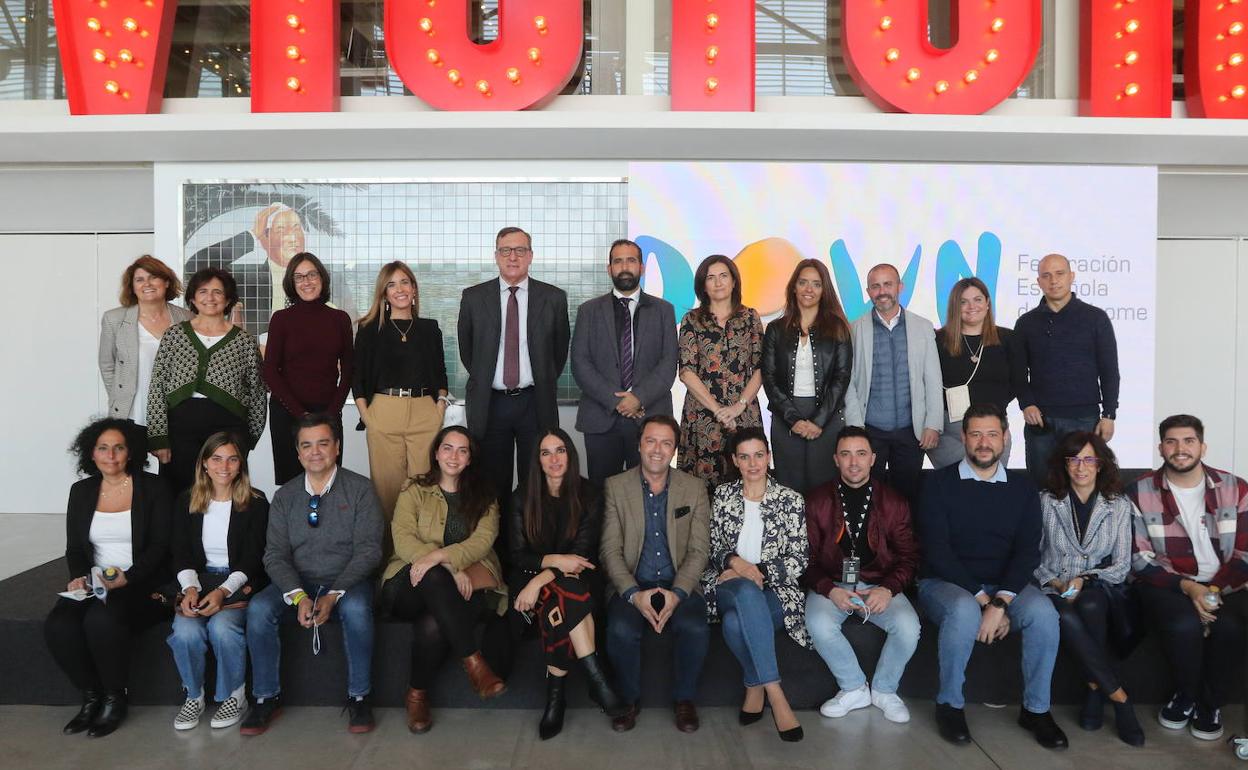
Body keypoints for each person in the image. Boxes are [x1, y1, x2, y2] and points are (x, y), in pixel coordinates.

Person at [915, 403, 1066, 749]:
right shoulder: (938, 484)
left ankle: (1036, 710)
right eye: (976, 434)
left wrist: (1001, 600)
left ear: (1005, 438)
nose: (984, 442)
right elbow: (938, 552)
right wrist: (985, 601)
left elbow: (1028, 551)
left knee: (1044, 613)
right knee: (965, 610)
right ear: (964, 438)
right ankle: (949, 705)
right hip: (945, 583)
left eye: (992, 434)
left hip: (1003, 587)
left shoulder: (1023, 488)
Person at [242, 414, 383, 735]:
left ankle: (360, 696)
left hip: (347, 581)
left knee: (358, 609)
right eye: (306, 445)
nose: (315, 452)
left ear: (337, 448)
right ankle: (265, 698)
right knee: (260, 608)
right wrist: (298, 595)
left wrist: (335, 593)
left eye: (323, 443)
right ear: (297, 453)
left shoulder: (361, 490)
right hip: (299, 581)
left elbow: (369, 551)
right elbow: (274, 554)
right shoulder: (285, 496)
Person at [44, 418, 172, 738]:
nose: (111, 455)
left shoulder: (154, 488)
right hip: (96, 582)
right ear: (92, 453)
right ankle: (92, 696)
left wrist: (127, 578)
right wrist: (79, 579)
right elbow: (75, 549)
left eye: (118, 448)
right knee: (58, 625)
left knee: (100, 621)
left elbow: (161, 547)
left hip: (141, 583)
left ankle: (116, 697)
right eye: (103, 448)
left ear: (130, 452)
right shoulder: (82, 491)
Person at [380, 425, 509, 734]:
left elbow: (483, 541)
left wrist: (441, 558)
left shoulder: (485, 496)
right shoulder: (414, 489)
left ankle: (416, 695)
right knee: (435, 575)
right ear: (436, 453)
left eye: (462, 450)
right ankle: (474, 662)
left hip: (466, 584)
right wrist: (449, 566)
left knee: (433, 624)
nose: (454, 455)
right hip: (409, 581)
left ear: (470, 459)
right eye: (448, 448)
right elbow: (402, 537)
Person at [1127, 414, 1248, 742]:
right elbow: (1139, 558)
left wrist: (1211, 590)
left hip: (1226, 582)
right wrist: (1189, 588)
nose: (1180, 449)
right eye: (1172, 441)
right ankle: (1186, 695)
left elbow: (1244, 554)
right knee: (1183, 624)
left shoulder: (1235, 488)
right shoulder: (1139, 490)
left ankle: (1210, 705)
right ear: (1161, 447)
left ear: (1202, 446)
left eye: (1188, 441)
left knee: (1230, 627)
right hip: (1168, 582)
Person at [458, 227, 570, 559]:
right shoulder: (473, 297)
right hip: (490, 405)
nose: (513, 256)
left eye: (520, 250)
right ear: (495, 256)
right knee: (493, 485)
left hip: (534, 402)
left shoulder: (553, 298)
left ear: (531, 256)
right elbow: (469, 352)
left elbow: (558, 352)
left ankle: (532, 554)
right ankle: (498, 558)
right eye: (506, 250)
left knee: (536, 480)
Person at [509, 429, 627, 739]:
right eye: (545, 452)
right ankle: (597, 679)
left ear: (570, 455)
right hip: (531, 579)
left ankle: (555, 699)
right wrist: (550, 568)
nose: (553, 458)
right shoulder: (522, 497)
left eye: (559, 450)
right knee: (565, 598)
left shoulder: (589, 494)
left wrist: (544, 577)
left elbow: (582, 556)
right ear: (537, 460)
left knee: (566, 596)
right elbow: (518, 555)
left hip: (579, 577)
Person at [600, 415, 711, 733]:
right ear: (639, 444)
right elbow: (610, 551)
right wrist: (634, 594)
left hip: (679, 581)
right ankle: (629, 700)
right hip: (634, 580)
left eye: (666, 442)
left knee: (693, 626)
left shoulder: (694, 488)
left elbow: (698, 550)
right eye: (651, 441)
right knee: (620, 629)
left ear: (675, 448)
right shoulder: (615, 487)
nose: (657, 449)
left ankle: (685, 699)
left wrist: (678, 593)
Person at [803, 426, 920, 724]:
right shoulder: (817, 500)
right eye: (846, 454)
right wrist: (830, 590)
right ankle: (854, 687)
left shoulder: (894, 502)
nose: (853, 462)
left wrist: (888, 590)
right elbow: (807, 560)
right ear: (835, 459)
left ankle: (884, 690)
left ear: (872, 459)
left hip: (879, 583)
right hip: (833, 584)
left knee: (908, 626)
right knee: (817, 621)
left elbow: (909, 559)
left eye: (861, 454)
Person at [1036, 431, 1143, 746]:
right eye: (1073, 459)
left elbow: (1122, 564)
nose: (1080, 467)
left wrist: (1087, 578)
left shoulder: (1118, 504)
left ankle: (1094, 693)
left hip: (1097, 584)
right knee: (1066, 614)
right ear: (1064, 465)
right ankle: (1119, 696)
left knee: (1092, 604)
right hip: (1053, 584)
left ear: (1100, 464)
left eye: (1088, 459)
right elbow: (1032, 555)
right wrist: (1055, 581)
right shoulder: (1047, 500)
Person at [702, 428, 809, 742]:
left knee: (736, 623)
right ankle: (776, 693)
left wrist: (754, 570)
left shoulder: (790, 500)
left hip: (776, 591)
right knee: (745, 593)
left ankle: (754, 684)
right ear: (735, 460)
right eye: (745, 456)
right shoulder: (723, 496)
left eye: (759, 455)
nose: (753, 463)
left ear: (769, 457)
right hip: (726, 584)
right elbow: (713, 547)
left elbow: (799, 558)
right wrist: (736, 564)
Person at [166, 432, 269, 731]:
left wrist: (224, 591)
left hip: (237, 581)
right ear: (204, 464)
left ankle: (234, 695)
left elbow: (253, 557)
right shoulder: (186, 501)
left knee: (223, 627)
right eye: (217, 458)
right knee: (185, 630)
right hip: (198, 580)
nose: (224, 466)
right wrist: (190, 589)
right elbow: (180, 552)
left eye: (232, 459)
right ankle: (193, 695)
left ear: (241, 465)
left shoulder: (257, 502)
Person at [146, 268, 267, 493]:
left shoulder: (244, 342)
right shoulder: (174, 336)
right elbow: (158, 386)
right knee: (179, 494)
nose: (209, 298)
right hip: (180, 427)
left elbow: (257, 393)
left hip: (228, 427)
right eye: (203, 291)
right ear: (192, 297)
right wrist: (158, 436)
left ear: (228, 299)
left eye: (217, 292)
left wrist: (249, 439)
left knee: (225, 492)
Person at [571, 239, 678, 487]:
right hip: (601, 417)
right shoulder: (588, 311)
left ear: (642, 267)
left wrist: (638, 397)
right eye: (618, 261)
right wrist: (617, 400)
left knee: (649, 494)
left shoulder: (664, 310)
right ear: (609, 269)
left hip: (650, 418)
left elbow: (668, 362)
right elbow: (580, 362)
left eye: (631, 260)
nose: (624, 266)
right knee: (602, 495)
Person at [354, 261, 448, 535]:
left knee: (425, 491)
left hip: (424, 412)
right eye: (391, 284)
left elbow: (440, 374)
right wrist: (367, 416)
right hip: (383, 412)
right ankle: (389, 566)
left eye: (405, 282)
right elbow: (357, 377)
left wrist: (439, 405)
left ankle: (422, 559)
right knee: (388, 494)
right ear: (383, 294)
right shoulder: (369, 329)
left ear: (414, 289)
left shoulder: (430, 329)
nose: (399, 289)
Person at [1013, 253, 1120, 488]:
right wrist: (1026, 403)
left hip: (1085, 419)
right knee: (1041, 487)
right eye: (1046, 275)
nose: (1054, 281)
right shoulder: (1026, 323)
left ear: (1072, 276)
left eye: (1060, 273)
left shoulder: (1096, 318)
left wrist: (1109, 414)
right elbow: (1017, 372)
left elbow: (1109, 370)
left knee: (1083, 486)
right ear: (1039, 281)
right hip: (1041, 421)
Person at [843, 263, 943, 506]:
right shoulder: (855, 329)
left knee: (905, 499)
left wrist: (933, 424)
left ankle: (902, 545)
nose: (882, 291)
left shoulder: (922, 327)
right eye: (875, 286)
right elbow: (849, 383)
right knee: (868, 499)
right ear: (868, 292)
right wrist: (856, 429)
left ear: (900, 287)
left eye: (888, 284)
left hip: (911, 431)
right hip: (870, 430)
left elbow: (933, 379)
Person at [184, 203, 353, 340]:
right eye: (281, 230)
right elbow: (194, 266)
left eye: (296, 228)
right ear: (265, 239)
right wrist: (251, 235)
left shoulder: (331, 280)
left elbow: (353, 328)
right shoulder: (245, 281)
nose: (292, 237)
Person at [761, 259, 852, 493]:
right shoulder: (775, 329)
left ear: (824, 291)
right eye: (803, 283)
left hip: (827, 415)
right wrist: (794, 420)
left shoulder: (838, 328)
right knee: (788, 488)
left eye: (816, 284)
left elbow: (841, 378)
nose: (809, 289)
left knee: (825, 490)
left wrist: (818, 421)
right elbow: (769, 378)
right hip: (785, 415)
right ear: (793, 287)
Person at [263, 252, 354, 485]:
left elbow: (349, 369)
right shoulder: (281, 319)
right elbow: (271, 371)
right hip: (288, 415)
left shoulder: (340, 319)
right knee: (293, 486)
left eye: (312, 274)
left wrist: (332, 413)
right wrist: (300, 415)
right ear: (292, 284)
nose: (307, 282)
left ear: (322, 278)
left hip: (329, 413)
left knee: (329, 484)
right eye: (299, 277)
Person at [677, 255, 764, 489]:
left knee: (747, 485)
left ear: (734, 281)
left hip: (743, 415)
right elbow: (686, 371)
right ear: (702, 285)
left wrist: (738, 406)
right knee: (701, 490)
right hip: (702, 417)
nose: (718, 283)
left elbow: (761, 367)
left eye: (724, 276)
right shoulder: (692, 320)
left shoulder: (750, 318)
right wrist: (718, 411)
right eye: (711, 278)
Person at [98, 255, 193, 433]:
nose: (147, 284)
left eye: (153, 277)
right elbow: (107, 365)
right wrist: (120, 396)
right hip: (131, 413)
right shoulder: (114, 319)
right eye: (140, 280)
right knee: (133, 461)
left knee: (176, 461)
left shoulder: (187, 318)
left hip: (176, 413)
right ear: (132, 287)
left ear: (166, 282)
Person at [930, 277, 1015, 469]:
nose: (971, 306)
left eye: (977, 299)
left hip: (993, 427)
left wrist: (997, 415)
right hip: (950, 431)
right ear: (955, 306)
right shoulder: (937, 340)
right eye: (963, 301)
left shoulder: (1008, 339)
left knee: (992, 489)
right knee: (958, 489)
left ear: (987, 304)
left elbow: (1016, 382)